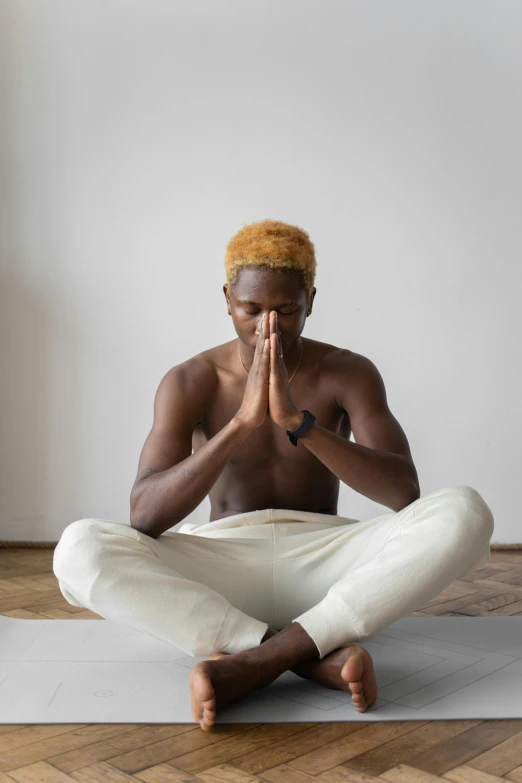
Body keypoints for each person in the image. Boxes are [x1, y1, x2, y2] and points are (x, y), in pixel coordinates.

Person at [53, 218, 494, 731]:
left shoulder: (348, 372)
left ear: (310, 299)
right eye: (252, 309)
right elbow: (145, 515)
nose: (270, 325)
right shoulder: (189, 380)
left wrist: (298, 423)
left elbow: (403, 494)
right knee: (79, 549)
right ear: (226, 299)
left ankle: (253, 661)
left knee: (465, 510)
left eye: (286, 309)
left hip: (329, 564)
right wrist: (241, 423)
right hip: (223, 564)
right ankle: (304, 655)